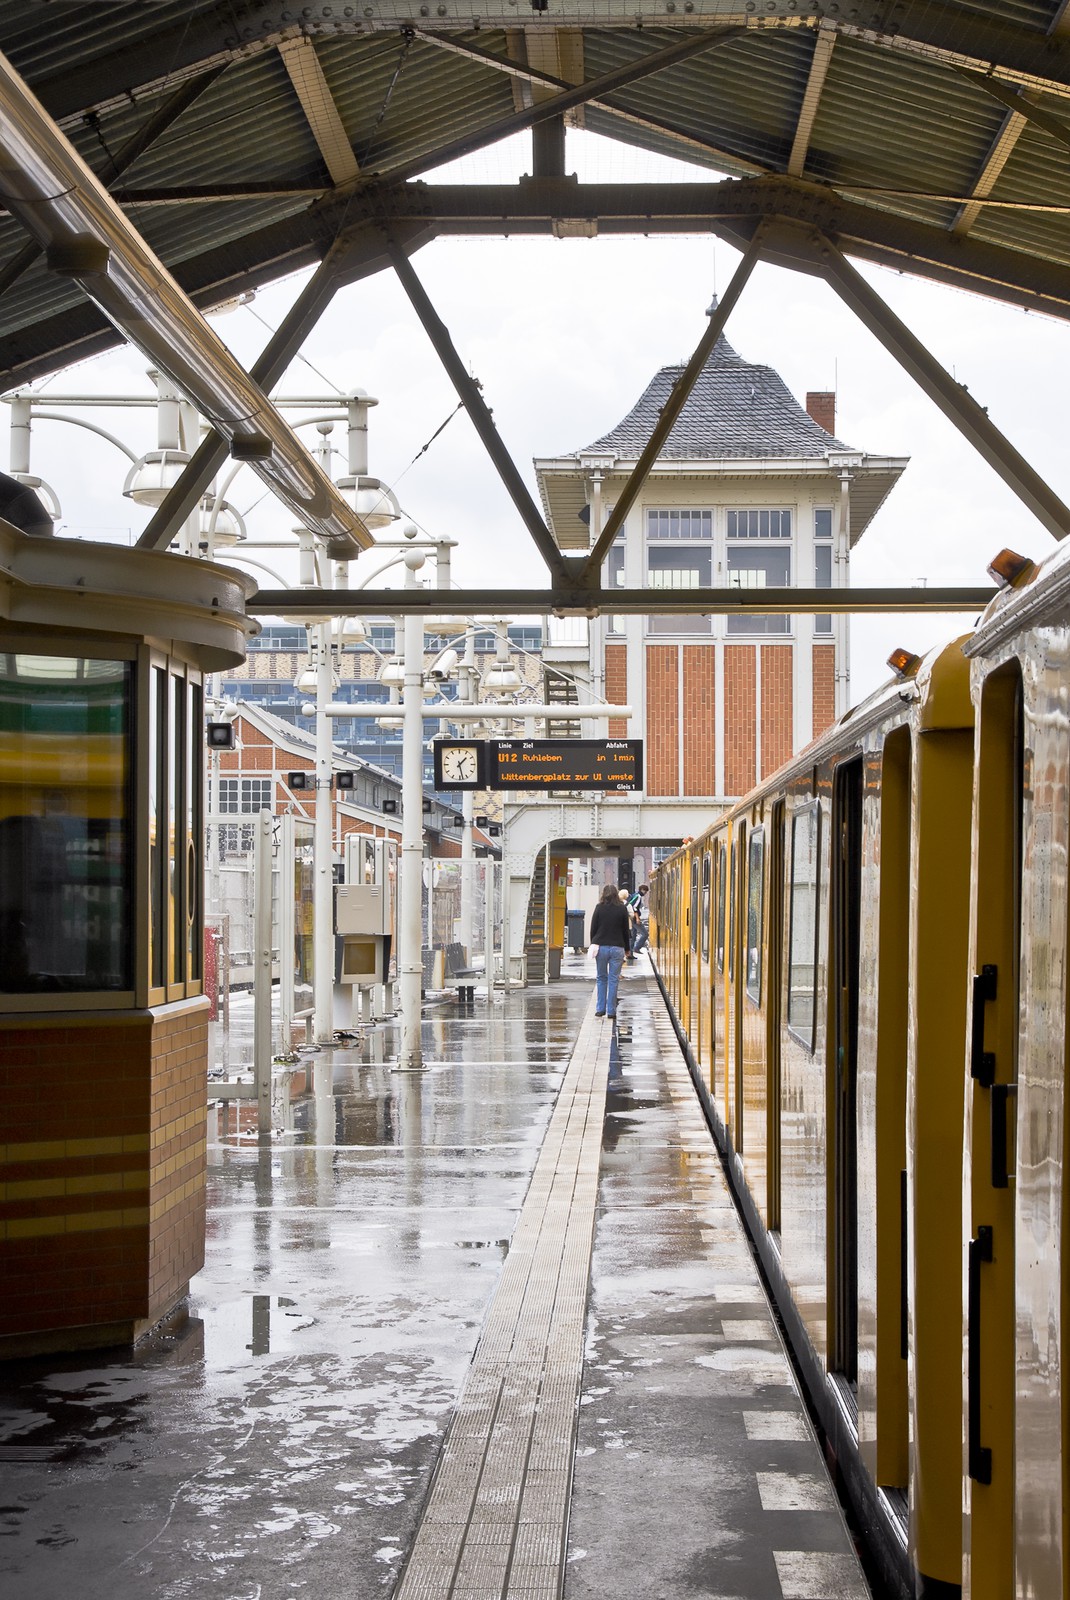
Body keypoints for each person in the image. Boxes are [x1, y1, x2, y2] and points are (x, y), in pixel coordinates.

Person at [589, 882, 632, 1019]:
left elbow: (593, 928)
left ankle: (600, 1009)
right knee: (613, 979)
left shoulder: (599, 907)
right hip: (617, 948)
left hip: (601, 947)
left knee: (601, 978)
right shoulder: (622, 908)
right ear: (616, 894)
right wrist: (627, 949)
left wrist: (593, 942)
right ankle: (611, 1011)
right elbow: (626, 930)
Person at [627, 884, 649, 957]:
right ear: (642, 889)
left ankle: (630, 953)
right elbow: (635, 908)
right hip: (634, 918)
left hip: (631, 917)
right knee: (645, 934)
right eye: (645, 891)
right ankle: (637, 948)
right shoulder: (638, 896)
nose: (645, 893)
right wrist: (637, 918)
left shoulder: (634, 895)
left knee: (633, 935)